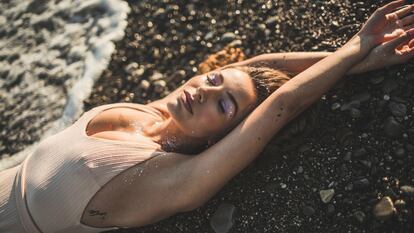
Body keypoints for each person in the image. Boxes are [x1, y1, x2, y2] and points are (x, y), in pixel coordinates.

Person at [1, 1, 414, 232]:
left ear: (225, 137)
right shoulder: (159, 113)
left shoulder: (176, 177)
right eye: (213, 79)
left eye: (224, 106)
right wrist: (357, 63)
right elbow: (254, 66)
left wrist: (356, 45)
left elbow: (281, 105)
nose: (204, 91)